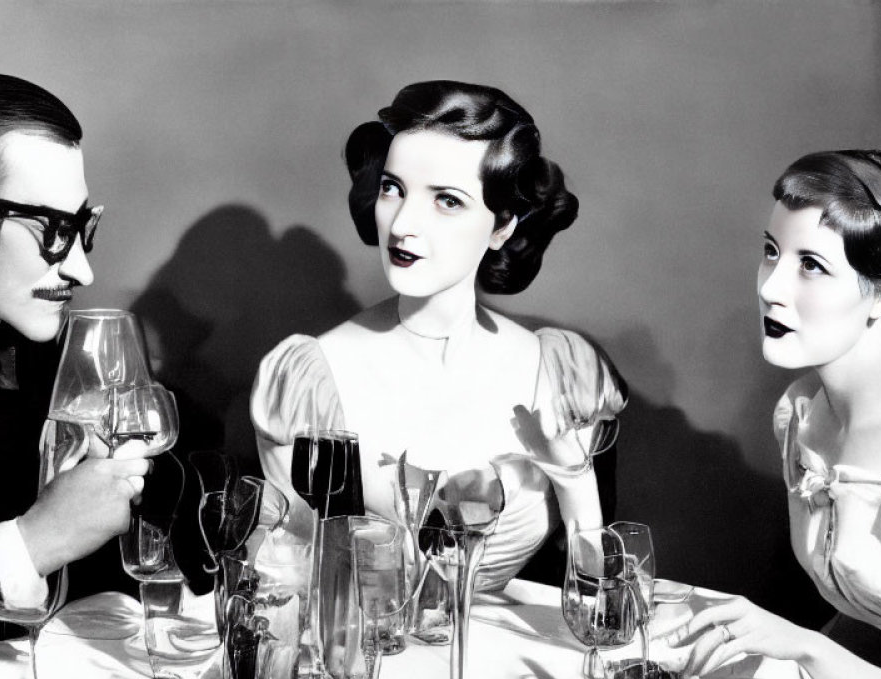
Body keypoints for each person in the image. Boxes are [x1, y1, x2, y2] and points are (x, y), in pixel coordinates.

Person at [251, 80, 626, 591]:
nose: (403, 224)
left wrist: (576, 483)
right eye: (392, 188)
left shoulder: (561, 372)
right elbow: (289, 581)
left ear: (503, 226)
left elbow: (599, 595)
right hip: (370, 663)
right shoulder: (309, 381)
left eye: (446, 200)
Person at [667, 150, 881, 679]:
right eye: (772, 251)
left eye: (811, 265)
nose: (771, 288)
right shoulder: (804, 410)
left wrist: (804, 647)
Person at [0, 73, 152, 651]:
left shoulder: (57, 367)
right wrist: (34, 541)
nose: (82, 270)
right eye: (52, 230)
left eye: (83, 228)